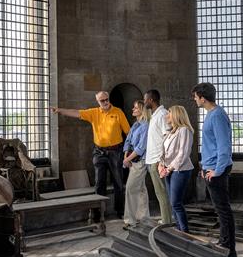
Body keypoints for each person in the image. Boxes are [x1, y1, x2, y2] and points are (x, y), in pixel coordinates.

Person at [51, 91, 130, 219]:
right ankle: (98, 214)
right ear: (98, 102)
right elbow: (76, 113)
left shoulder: (118, 112)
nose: (105, 102)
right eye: (102, 100)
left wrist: (128, 152)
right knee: (99, 183)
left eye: (106, 99)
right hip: (99, 152)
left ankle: (120, 212)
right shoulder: (94, 113)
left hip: (116, 151)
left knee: (118, 182)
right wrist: (59, 110)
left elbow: (128, 133)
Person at [192, 82, 237, 257]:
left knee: (223, 211)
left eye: (196, 97)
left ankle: (229, 252)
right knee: (221, 211)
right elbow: (211, 146)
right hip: (210, 168)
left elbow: (224, 147)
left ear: (203, 98)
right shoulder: (211, 114)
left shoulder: (217, 115)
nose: (194, 100)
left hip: (217, 170)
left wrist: (216, 171)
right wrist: (205, 167)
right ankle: (224, 244)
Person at [159, 105, 194, 232]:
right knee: (172, 203)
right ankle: (179, 230)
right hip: (169, 170)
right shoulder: (171, 131)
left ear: (176, 115)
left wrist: (169, 169)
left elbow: (183, 154)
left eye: (168, 113)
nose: (166, 115)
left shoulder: (184, 130)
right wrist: (161, 165)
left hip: (181, 170)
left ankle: (185, 233)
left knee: (176, 203)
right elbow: (164, 152)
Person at [143, 89, 173, 224]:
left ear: (151, 100)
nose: (144, 102)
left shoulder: (162, 114)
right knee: (159, 192)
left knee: (161, 193)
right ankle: (166, 218)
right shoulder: (155, 114)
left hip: (157, 160)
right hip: (152, 159)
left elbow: (168, 136)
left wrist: (162, 160)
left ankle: (167, 221)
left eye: (145, 99)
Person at [121, 100, 151, 229]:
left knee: (130, 188)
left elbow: (141, 147)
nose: (133, 109)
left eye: (136, 108)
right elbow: (127, 141)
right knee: (141, 189)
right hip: (131, 160)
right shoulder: (135, 125)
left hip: (139, 161)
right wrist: (125, 156)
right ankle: (143, 217)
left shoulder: (145, 126)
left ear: (142, 110)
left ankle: (130, 221)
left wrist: (128, 159)